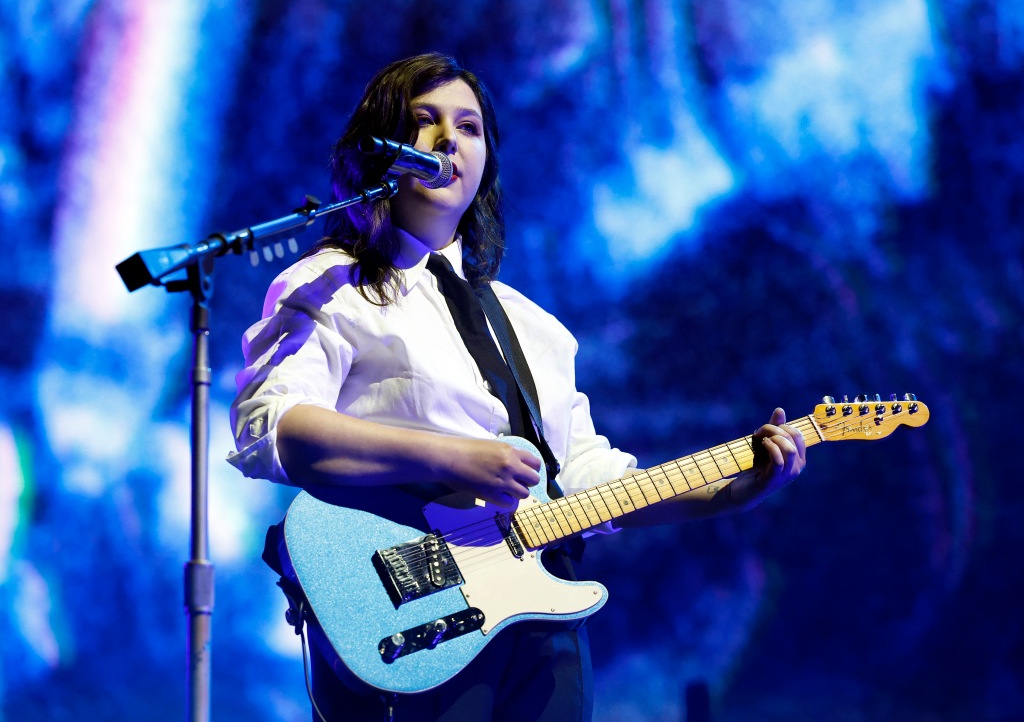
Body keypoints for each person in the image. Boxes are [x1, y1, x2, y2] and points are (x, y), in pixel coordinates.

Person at [228, 52, 806, 722]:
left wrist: (734, 488)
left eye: (469, 127)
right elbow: (273, 431)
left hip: (541, 613)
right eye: (425, 121)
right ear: (380, 148)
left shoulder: (535, 327)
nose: (449, 140)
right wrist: (452, 457)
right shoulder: (332, 286)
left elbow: (586, 479)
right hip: (414, 614)